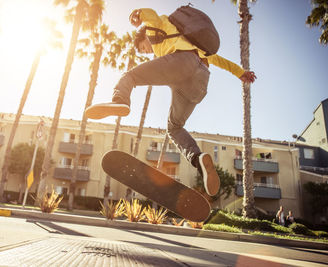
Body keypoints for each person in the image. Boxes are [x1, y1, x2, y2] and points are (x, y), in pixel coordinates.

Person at [85, 8, 256, 196]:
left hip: (181, 62)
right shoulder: (193, 43)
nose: (147, 51)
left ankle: (120, 100)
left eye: (143, 47)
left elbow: (152, 16)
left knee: (130, 76)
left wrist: (139, 14)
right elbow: (218, 60)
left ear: (144, 37)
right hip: (200, 81)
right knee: (174, 127)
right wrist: (241, 72)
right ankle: (199, 159)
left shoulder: (154, 30)